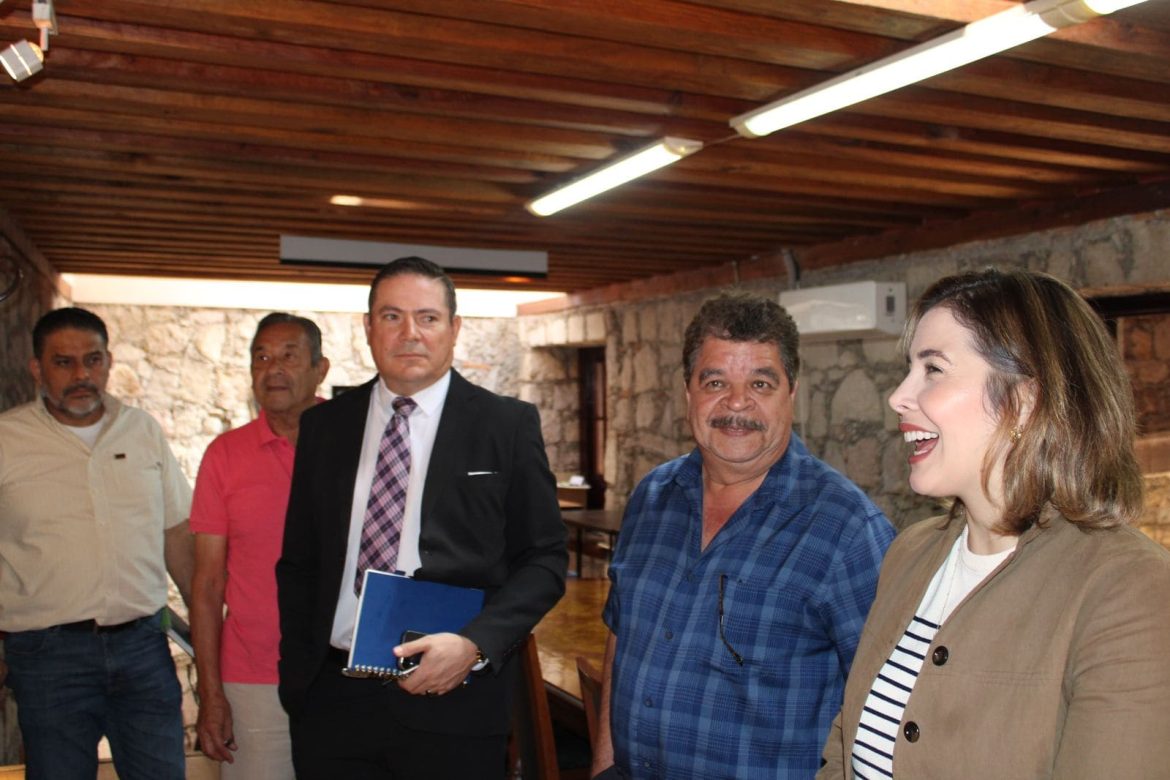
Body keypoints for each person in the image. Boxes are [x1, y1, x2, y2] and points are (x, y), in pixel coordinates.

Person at [818, 268, 1170, 779]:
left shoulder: (1132, 590)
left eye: (933, 369)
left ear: (1023, 402)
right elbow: (843, 751)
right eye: (909, 369)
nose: (898, 396)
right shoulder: (911, 553)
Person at [276, 256, 567, 779]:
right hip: (331, 703)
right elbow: (299, 562)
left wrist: (476, 644)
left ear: (454, 328)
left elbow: (544, 559)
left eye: (428, 318)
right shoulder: (324, 427)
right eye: (392, 316)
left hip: (454, 701)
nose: (410, 333)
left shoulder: (505, 424)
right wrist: (297, 675)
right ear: (368, 328)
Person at [593, 291, 895, 779]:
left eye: (760, 383)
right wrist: (604, 766)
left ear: (791, 393)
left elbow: (890, 701)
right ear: (688, 392)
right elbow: (621, 637)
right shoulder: (652, 498)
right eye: (715, 382)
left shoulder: (847, 530)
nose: (737, 403)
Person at [0, 307, 194, 780]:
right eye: (63, 362)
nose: (81, 375)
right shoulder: (7, 440)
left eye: (92, 360)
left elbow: (177, 534)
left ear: (108, 362)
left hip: (144, 650)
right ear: (37, 369)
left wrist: (208, 637)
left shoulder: (142, 431)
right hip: (47, 658)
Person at [190, 313, 330, 778]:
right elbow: (207, 585)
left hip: (346, 676)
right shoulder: (224, 456)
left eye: (289, 356)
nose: (274, 369)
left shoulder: (356, 443)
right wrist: (211, 693)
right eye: (262, 358)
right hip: (253, 680)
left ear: (321, 369)